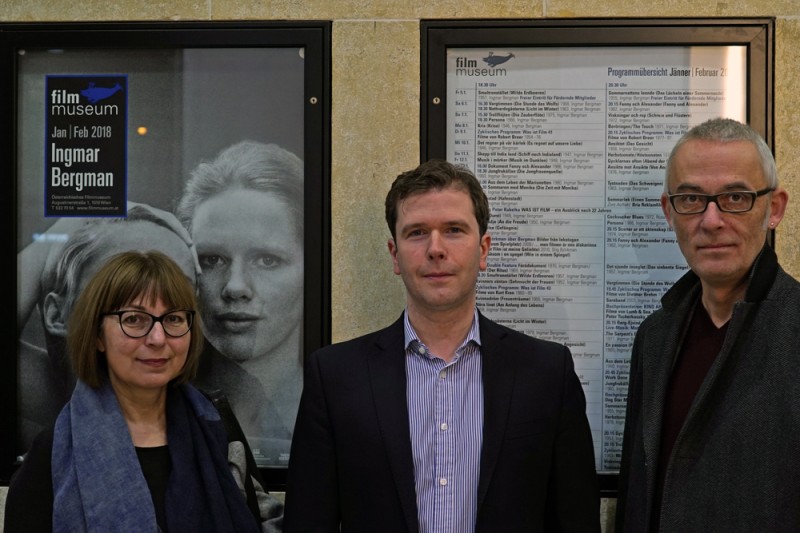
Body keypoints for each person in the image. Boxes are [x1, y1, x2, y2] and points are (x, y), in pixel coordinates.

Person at [284, 160, 600, 532]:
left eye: (454, 230)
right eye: (417, 232)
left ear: (483, 250)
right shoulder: (335, 376)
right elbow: (308, 521)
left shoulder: (547, 372)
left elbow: (575, 521)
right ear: (394, 254)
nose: (435, 249)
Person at [4, 251, 279, 532]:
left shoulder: (217, 426)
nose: (158, 338)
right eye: (134, 319)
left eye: (173, 319)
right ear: (98, 335)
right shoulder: (51, 455)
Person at [615, 117, 799, 531]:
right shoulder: (654, 337)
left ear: (775, 208)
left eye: (735, 197)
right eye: (691, 199)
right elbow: (636, 495)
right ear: (669, 212)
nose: (712, 221)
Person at [17, 203, 200, 449]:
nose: (158, 337)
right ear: (58, 314)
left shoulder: (208, 417)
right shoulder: (42, 396)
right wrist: (81, 216)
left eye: (176, 298)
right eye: (120, 292)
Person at [176, 140, 304, 466]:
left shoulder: (338, 405)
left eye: (267, 260)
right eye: (212, 259)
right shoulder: (150, 401)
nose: (235, 287)